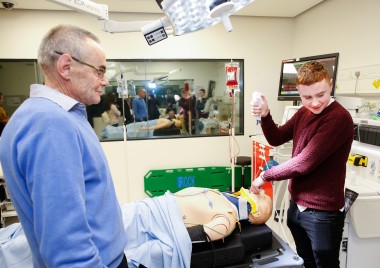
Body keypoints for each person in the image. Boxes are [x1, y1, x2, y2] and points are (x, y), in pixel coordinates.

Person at [0, 25, 127, 268]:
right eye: (99, 70)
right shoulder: (50, 124)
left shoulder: (50, 116)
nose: (105, 80)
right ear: (66, 66)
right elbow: (67, 246)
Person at [0, 187, 273, 268]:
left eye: (257, 194)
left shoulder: (227, 217)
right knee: (83, 224)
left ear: (255, 210)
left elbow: (197, 236)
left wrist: (157, 243)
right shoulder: (219, 194)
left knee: (80, 235)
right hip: (144, 209)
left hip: (149, 224)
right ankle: (15, 242)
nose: (252, 188)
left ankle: (12, 255)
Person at [250, 61, 354, 268]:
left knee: (325, 264)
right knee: (305, 262)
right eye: (307, 97)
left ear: (330, 85)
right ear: (298, 92)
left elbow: (304, 162)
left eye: (321, 94)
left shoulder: (338, 118)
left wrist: (264, 176)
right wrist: (265, 115)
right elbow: (276, 138)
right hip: (297, 206)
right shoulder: (303, 113)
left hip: (322, 214)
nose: (315, 103)